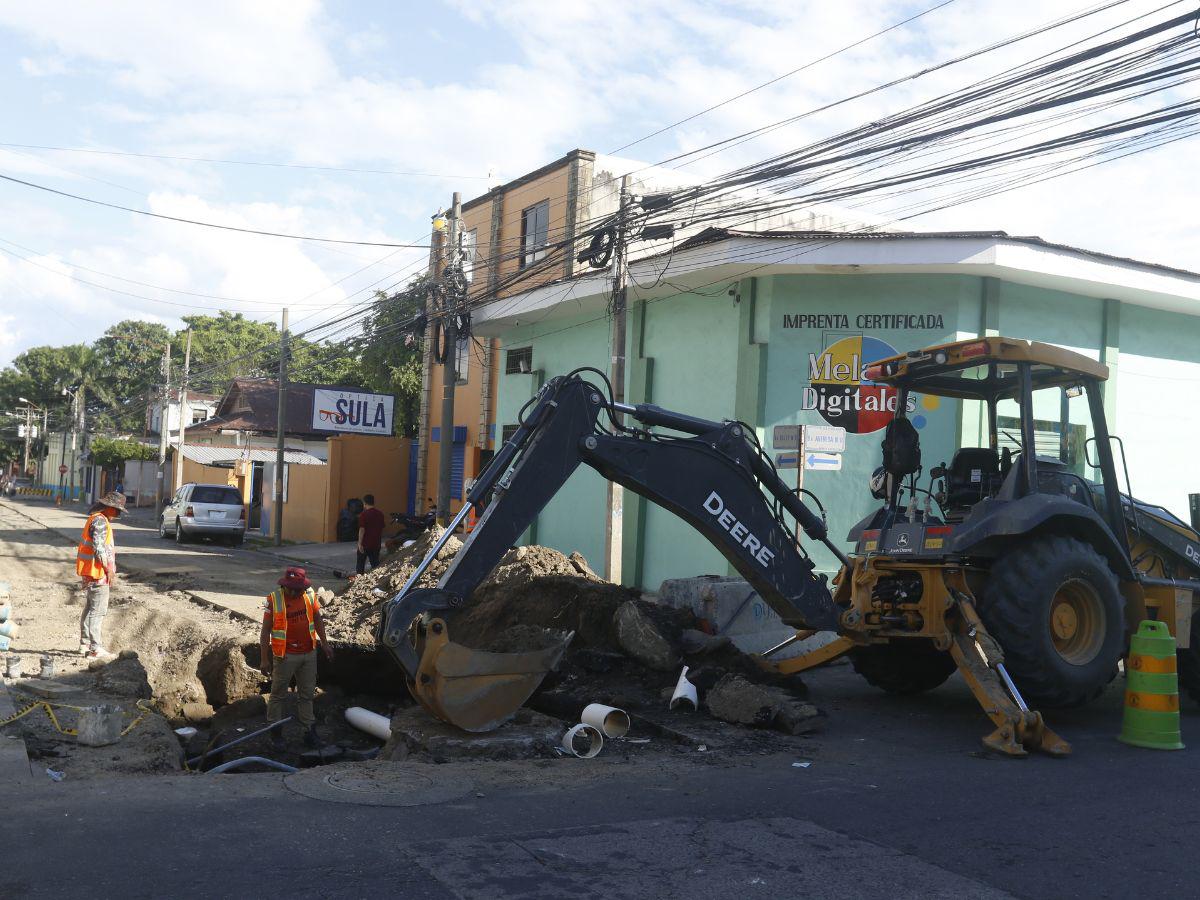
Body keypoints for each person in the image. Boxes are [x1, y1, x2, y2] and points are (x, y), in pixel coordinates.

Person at [259, 566, 334, 748]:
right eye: (290, 588)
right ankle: (276, 734)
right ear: (284, 585)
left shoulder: (309, 596)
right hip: (285, 656)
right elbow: (265, 630)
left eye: (297, 589)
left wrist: (324, 643)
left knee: (307, 695)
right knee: (277, 695)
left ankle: (309, 732)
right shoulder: (274, 599)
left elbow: (317, 619)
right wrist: (264, 658)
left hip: (308, 653)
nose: (293, 592)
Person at [75, 491, 126, 659]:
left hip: (91, 572)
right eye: (117, 510)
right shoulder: (100, 521)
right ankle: (95, 648)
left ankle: (85, 644)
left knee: (90, 608)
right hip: (98, 573)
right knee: (98, 611)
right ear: (109, 508)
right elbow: (99, 547)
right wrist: (109, 569)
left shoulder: (95, 518)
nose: (118, 514)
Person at [356, 493, 386, 574]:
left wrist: (359, 543)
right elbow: (381, 528)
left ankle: (359, 580)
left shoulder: (364, 515)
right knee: (375, 564)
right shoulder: (380, 514)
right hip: (376, 544)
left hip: (365, 544)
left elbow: (362, 529)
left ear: (364, 503)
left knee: (360, 565)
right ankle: (377, 578)